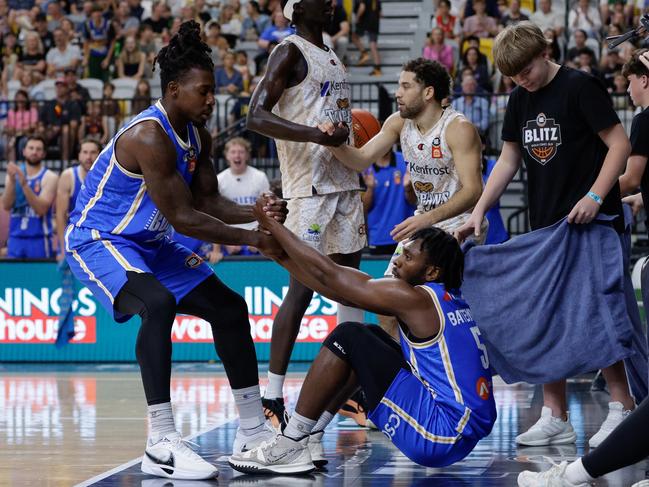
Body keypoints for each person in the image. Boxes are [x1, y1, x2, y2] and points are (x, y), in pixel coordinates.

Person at [64, 21, 286, 480]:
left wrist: (256, 212)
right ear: (173, 89)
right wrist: (253, 237)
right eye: (204, 91)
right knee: (158, 304)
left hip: (148, 242)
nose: (212, 100)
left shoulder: (198, 136)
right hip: (100, 239)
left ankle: (251, 432)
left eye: (214, 91)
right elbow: (185, 217)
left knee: (230, 308)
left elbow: (208, 201)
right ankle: (161, 441)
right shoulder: (149, 135)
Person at [456, 21, 635, 450]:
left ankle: (622, 406)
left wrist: (596, 194)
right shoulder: (520, 98)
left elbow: (619, 144)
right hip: (547, 226)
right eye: (513, 77)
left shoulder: (580, 86)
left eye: (526, 71)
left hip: (592, 222)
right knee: (548, 315)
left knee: (595, 313)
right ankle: (555, 415)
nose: (521, 81)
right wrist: (479, 209)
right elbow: (508, 159)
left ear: (543, 53)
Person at [229, 209, 497, 474]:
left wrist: (274, 229)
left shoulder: (416, 299)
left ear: (431, 272)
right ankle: (309, 436)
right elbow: (337, 289)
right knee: (369, 337)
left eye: (408, 257)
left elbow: (331, 277)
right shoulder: (448, 298)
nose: (397, 261)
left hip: (438, 434)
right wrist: (280, 255)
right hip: (459, 432)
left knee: (349, 337)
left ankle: (289, 444)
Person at [246, 0, 367, 427]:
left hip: (344, 185)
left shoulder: (331, 52)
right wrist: (315, 134)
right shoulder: (288, 51)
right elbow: (254, 115)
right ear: (298, 9)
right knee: (300, 293)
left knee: (353, 293)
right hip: (309, 190)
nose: (332, 2)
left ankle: (348, 392)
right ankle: (272, 396)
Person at [1, 136, 58, 259]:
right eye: (31, 148)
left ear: (43, 154)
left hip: (39, 239)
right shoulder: (13, 174)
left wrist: (24, 185)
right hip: (15, 238)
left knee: (40, 278)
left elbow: (41, 209)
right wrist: (11, 181)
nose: (34, 152)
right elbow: (6, 205)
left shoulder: (50, 177)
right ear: (24, 151)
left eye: (38, 149)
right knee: (14, 277)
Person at [55, 139, 102, 260]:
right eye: (85, 152)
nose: (88, 157)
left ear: (100, 154)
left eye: (93, 152)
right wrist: (63, 247)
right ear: (79, 155)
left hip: (100, 237)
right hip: (75, 238)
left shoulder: (107, 178)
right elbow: (60, 215)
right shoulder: (68, 176)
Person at [362, 150, 416, 255]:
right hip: (378, 237)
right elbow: (363, 209)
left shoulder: (406, 161)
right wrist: (370, 188)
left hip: (405, 235)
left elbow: (414, 201)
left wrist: (408, 188)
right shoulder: (365, 165)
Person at [351, 0, 381, 75]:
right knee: (373, 45)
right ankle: (377, 69)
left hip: (365, 22)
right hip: (375, 23)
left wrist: (357, 17)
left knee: (354, 37)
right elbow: (380, 13)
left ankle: (364, 53)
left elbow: (362, 7)